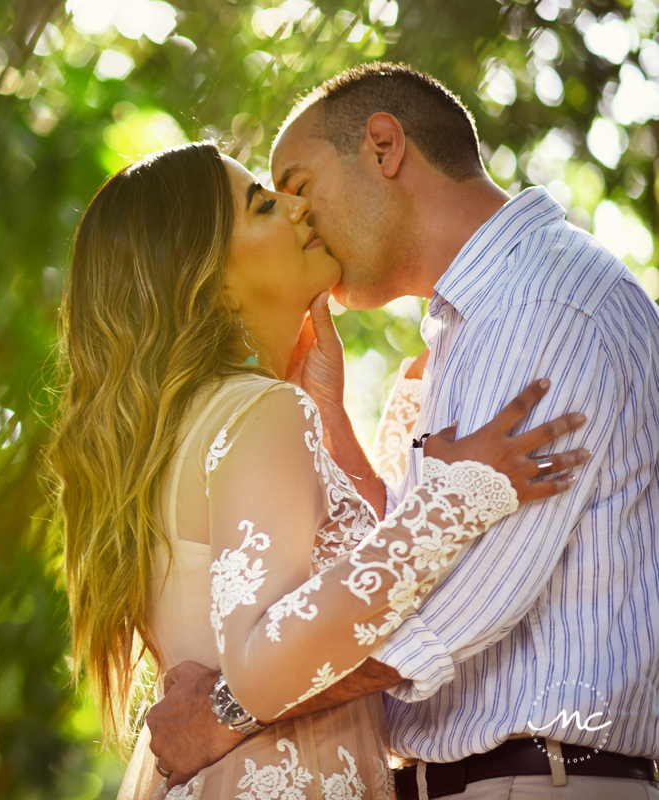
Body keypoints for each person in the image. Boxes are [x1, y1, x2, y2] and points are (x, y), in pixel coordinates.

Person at [147, 63, 659, 800]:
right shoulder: (469, 329)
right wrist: (332, 418)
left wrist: (229, 711)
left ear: (384, 148)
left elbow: (456, 602)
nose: (296, 215)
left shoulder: (542, 309)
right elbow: (396, 565)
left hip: (533, 781)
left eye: (296, 185)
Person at [46, 138, 590, 800]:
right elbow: (258, 670)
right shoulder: (257, 413)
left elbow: (319, 606)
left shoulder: (187, 428)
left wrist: (327, 414)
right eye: (262, 205)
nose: (296, 206)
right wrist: (456, 499)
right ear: (208, 274)